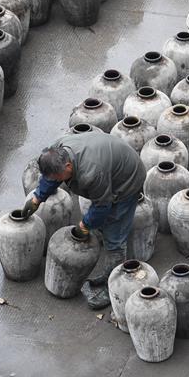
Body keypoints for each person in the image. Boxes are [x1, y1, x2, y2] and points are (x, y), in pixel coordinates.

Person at [24, 130, 146, 309]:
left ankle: (112, 286)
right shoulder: (58, 149)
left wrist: (85, 225)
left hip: (128, 180)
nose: (57, 181)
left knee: (114, 237)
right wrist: (37, 198)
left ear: (68, 167)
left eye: (59, 178)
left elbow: (102, 205)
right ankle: (107, 267)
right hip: (110, 166)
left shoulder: (92, 172)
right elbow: (51, 177)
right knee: (101, 223)